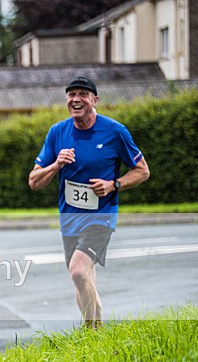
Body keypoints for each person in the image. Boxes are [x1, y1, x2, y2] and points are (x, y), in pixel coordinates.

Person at [29, 76, 149, 328]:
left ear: (95, 100)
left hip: (101, 216)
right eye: (71, 94)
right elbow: (34, 181)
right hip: (69, 218)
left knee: (77, 270)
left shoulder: (115, 131)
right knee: (83, 278)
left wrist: (114, 184)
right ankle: (98, 330)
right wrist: (56, 164)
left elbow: (142, 171)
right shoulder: (57, 132)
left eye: (83, 94)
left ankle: (90, 331)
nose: (76, 99)